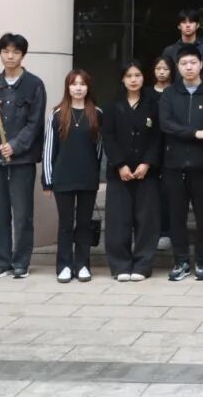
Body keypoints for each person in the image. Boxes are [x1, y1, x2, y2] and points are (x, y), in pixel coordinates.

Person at [0, 33, 47, 279]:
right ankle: (1, 261)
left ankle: (21, 262)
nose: (10, 56)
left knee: (23, 213)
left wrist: (15, 146)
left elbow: (35, 123)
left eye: (15, 52)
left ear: (22, 55)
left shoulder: (34, 85)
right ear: (0, 54)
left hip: (22, 159)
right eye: (6, 51)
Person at [159, 46, 203, 281]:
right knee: (176, 217)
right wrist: (195, 133)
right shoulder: (169, 94)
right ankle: (181, 262)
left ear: (201, 65)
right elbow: (166, 124)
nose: (189, 67)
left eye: (193, 63)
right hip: (174, 165)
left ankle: (201, 262)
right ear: (178, 67)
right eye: (184, 63)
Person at [42, 70, 103, 284]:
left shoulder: (97, 113)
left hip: (87, 177)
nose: (78, 88)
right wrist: (47, 181)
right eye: (74, 84)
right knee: (66, 224)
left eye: (82, 84)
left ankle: (83, 265)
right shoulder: (57, 114)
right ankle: (65, 266)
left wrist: (96, 174)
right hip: (63, 178)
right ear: (67, 87)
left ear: (88, 87)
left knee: (84, 224)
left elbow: (98, 149)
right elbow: (49, 149)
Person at [102, 60, 161, 282]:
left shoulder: (153, 104)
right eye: (129, 76)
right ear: (122, 79)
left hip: (147, 173)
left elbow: (157, 138)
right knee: (118, 221)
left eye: (137, 75)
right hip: (120, 173)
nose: (133, 80)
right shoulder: (112, 106)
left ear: (144, 78)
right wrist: (120, 164)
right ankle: (120, 265)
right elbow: (108, 138)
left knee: (147, 221)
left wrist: (147, 163)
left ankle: (142, 265)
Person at [150, 56, 173, 251]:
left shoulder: (176, 92)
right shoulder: (147, 93)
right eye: (158, 68)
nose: (162, 72)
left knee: (167, 192)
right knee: (151, 191)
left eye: (165, 68)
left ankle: (166, 231)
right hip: (150, 147)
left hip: (172, 147)